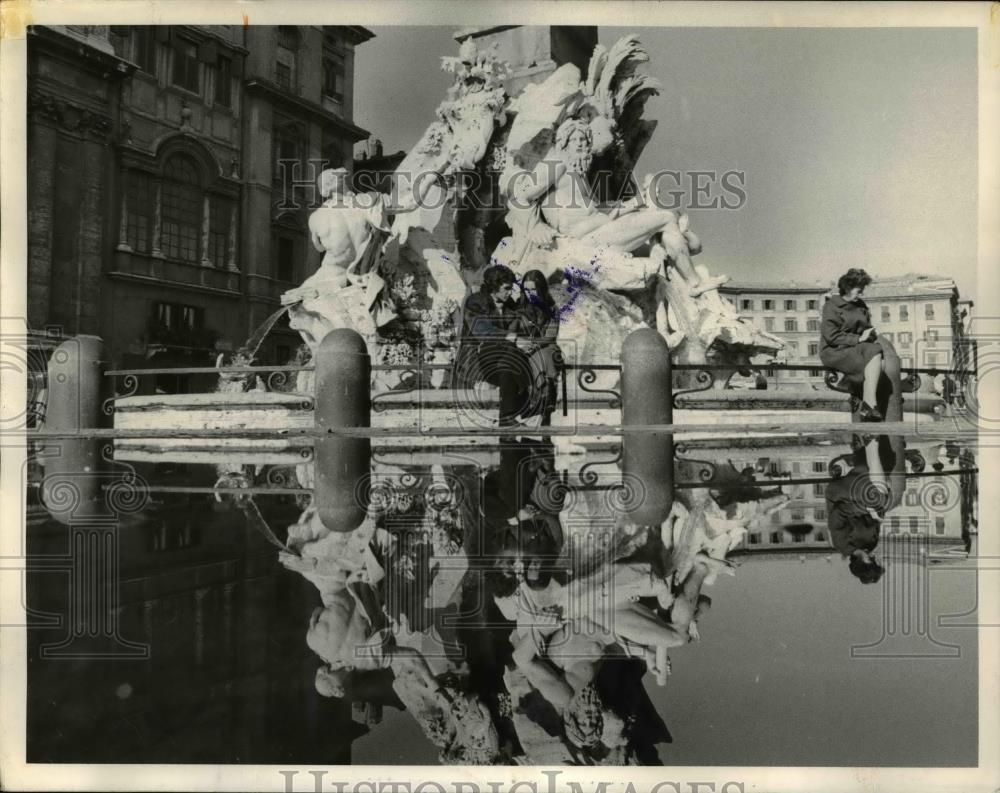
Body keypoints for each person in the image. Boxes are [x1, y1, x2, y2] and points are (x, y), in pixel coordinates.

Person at [455, 264, 532, 425]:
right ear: (494, 287)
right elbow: (481, 330)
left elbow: (521, 327)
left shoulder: (509, 304)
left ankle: (506, 417)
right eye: (506, 288)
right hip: (478, 361)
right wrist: (511, 337)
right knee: (511, 351)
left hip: (504, 362)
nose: (510, 292)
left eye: (511, 288)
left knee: (508, 365)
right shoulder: (476, 301)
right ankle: (526, 395)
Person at [819, 268, 886, 421]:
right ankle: (868, 404)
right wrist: (858, 339)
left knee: (879, 356)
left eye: (862, 290)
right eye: (859, 290)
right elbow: (831, 336)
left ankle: (867, 405)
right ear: (847, 288)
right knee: (875, 355)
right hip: (834, 350)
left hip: (856, 348)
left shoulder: (861, 305)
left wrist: (870, 334)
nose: (862, 294)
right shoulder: (831, 306)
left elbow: (866, 328)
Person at [825, 435, 890, 584]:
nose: (873, 557)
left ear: (860, 563)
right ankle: (865, 447)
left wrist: (865, 508)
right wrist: (878, 515)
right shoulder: (871, 545)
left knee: (873, 486)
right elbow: (875, 521)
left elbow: (839, 511)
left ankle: (870, 444)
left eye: (870, 561)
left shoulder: (841, 543)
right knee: (882, 493)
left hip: (840, 495)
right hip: (859, 499)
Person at [512, 270, 563, 425]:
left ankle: (544, 400)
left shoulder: (552, 309)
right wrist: (520, 342)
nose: (529, 293)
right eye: (526, 290)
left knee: (545, 356)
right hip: (522, 346)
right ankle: (541, 401)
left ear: (540, 289)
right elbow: (512, 331)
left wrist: (532, 345)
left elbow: (550, 336)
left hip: (546, 345)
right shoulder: (517, 308)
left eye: (533, 289)